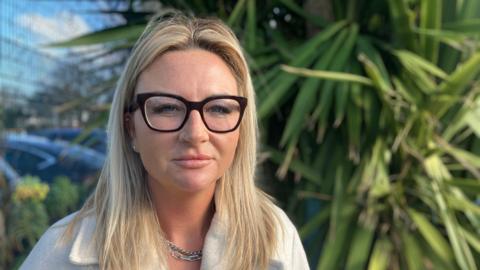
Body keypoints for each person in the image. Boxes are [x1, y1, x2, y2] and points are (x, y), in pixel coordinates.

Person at [20, 11, 309, 270]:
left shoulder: (276, 240)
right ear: (130, 126)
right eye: (167, 108)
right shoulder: (62, 252)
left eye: (219, 108)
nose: (195, 134)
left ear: (241, 129)